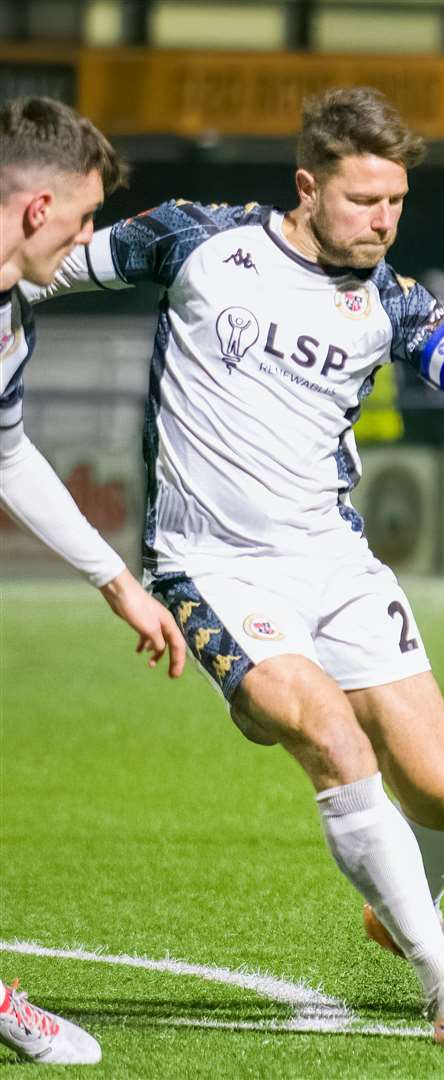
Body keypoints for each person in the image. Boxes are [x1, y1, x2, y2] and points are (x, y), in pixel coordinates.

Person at [33, 87, 444, 1045]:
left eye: (396, 202)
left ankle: (396, 904)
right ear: (307, 185)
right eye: (365, 200)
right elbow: (41, 268)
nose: (383, 221)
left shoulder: (394, 303)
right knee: (330, 734)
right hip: (213, 568)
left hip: (337, 564)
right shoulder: (198, 240)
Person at [0, 94, 161, 1070]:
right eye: (83, 217)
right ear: (34, 209)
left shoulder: (13, 315)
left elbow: (8, 452)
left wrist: (116, 581)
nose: (89, 238)